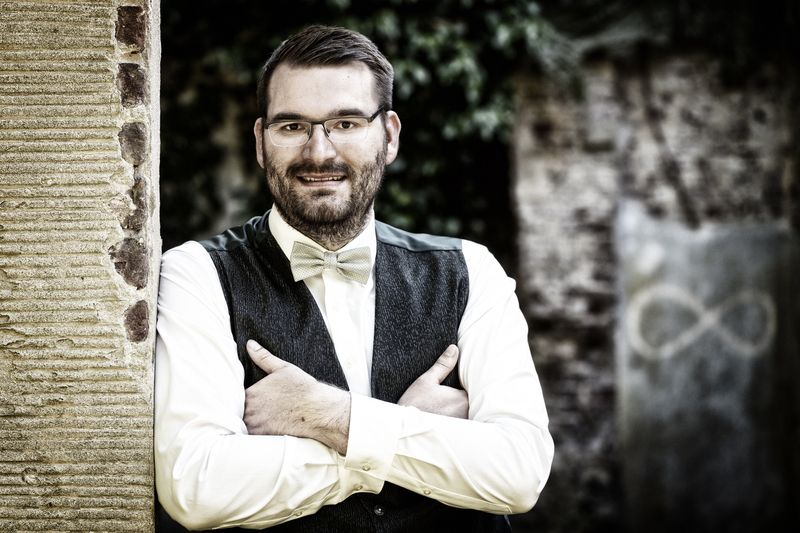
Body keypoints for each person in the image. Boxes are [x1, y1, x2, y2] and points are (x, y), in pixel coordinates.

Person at [154, 25, 553, 532]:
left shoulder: (472, 271)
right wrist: (411, 438)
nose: (319, 152)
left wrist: (329, 416)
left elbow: (520, 473)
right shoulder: (197, 275)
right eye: (292, 126)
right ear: (260, 141)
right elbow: (197, 486)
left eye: (345, 123)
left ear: (389, 136)